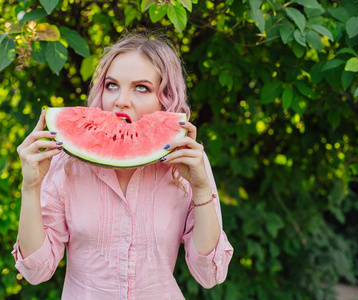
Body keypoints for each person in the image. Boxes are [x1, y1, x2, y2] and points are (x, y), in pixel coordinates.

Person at [12, 32, 233, 299]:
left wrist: (200, 189)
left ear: (166, 98)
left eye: (141, 87)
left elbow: (209, 274)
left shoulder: (187, 161)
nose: (121, 100)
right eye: (111, 85)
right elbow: (36, 272)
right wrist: (30, 187)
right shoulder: (65, 162)